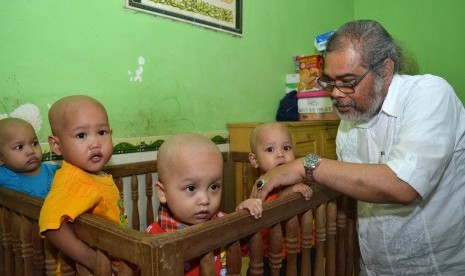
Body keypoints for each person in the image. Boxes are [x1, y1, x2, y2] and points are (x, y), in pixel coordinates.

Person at [252, 19, 465, 275]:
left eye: (347, 81)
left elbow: (404, 185)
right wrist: (289, 192)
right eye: (330, 82)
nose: (336, 94)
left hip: (435, 268)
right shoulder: (350, 122)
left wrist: (304, 165)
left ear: (385, 71)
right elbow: (348, 181)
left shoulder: (430, 93)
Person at [145, 133, 263, 276]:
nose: (205, 200)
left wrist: (244, 217)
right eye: (191, 188)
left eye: (213, 187)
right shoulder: (154, 237)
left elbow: (244, 250)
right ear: (163, 193)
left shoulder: (223, 221)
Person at [39, 95, 127, 272]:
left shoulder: (93, 175)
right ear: (57, 146)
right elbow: (51, 224)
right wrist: (91, 259)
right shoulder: (73, 180)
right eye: (81, 135)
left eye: (102, 132)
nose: (95, 143)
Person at [248, 122, 313, 275]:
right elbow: (269, 209)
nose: (280, 154)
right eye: (270, 149)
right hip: (271, 254)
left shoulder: (297, 177)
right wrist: (289, 192)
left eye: (286, 148)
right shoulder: (261, 183)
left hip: (301, 248)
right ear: (254, 160)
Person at [0, 117, 60, 199]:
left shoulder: (54, 171)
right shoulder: (2, 175)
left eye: (34, 143)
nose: (31, 151)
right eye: (19, 147)